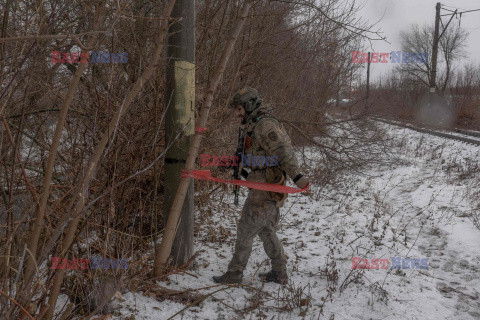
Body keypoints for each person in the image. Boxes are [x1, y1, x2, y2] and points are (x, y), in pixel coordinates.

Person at [212, 87, 309, 285]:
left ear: (249, 106)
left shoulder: (264, 125)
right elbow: (256, 156)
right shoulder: (252, 124)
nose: (237, 113)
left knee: (246, 228)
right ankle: (279, 271)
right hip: (261, 181)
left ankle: (234, 274)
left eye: (239, 108)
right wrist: (231, 162)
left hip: (266, 185)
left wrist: (297, 176)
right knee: (266, 229)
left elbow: (283, 151)